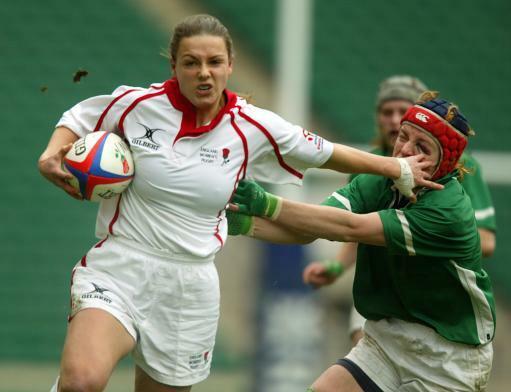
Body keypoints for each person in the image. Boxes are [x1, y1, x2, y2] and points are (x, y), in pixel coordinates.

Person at [37, 14, 439, 392]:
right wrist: (51, 154)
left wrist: (395, 168)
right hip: (121, 266)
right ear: (174, 65)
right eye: (191, 63)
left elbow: (326, 152)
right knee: (80, 382)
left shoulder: (252, 126)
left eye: (214, 62)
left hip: (190, 285)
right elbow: (78, 117)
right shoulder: (136, 104)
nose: (203, 72)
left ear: (230, 65)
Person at [228, 92, 495, 391]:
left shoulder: (447, 210)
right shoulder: (379, 179)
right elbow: (316, 223)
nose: (405, 151)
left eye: (422, 148)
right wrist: (243, 224)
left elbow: (350, 227)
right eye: (403, 136)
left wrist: (265, 203)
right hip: (387, 339)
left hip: (448, 355)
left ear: (445, 164)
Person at [303, 75, 496, 346]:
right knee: (360, 355)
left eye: (401, 111)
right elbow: (350, 225)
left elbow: (485, 241)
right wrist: (337, 266)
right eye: (386, 112)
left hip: (432, 302)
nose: (394, 120)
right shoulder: (369, 167)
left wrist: (424, 233)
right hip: (382, 292)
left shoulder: (460, 170)